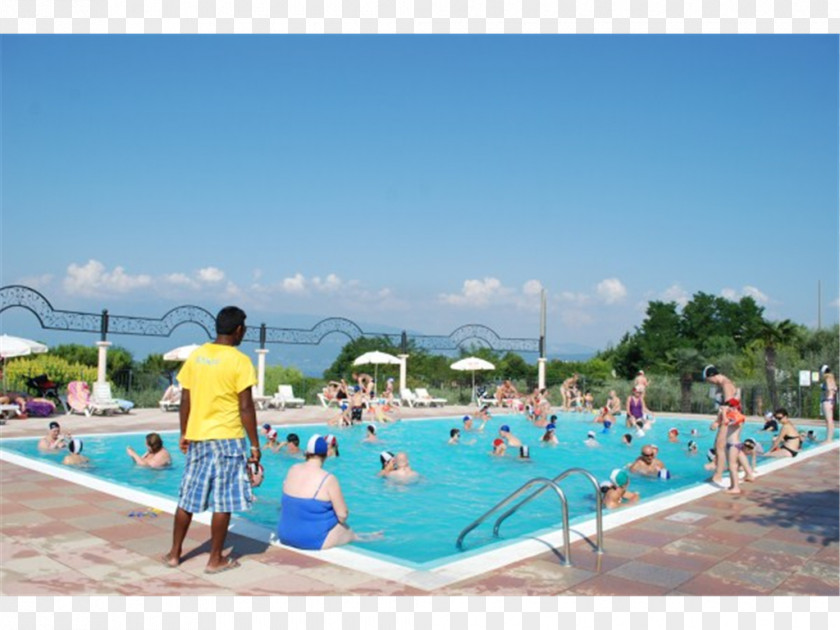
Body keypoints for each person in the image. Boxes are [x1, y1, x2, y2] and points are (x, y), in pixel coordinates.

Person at [163, 306, 260, 574]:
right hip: (227, 438)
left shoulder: (197, 356)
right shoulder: (239, 361)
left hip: (198, 437)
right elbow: (246, 407)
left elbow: (186, 399)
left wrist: (184, 432)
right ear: (239, 330)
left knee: (187, 497)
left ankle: (174, 553)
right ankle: (215, 559)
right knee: (224, 500)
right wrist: (254, 444)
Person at [276, 435, 365, 550]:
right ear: (326, 454)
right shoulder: (328, 478)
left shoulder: (293, 469)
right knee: (347, 530)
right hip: (311, 539)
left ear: (307, 452)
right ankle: (364, 538)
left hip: (284, 534)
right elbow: (343, 515)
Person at [703, 365, 746, 489]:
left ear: (712, 376)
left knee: (720, 447)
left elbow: (726, 407)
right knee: (734, 446)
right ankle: (748, 472)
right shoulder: (727, 383)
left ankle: (718, 475)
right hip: (734, 418)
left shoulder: (725, 385)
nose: (710, 383)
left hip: (729, 419)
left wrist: (717, 422)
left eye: (708, 380)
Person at [819, 365, 836, 443]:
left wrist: (827, 393)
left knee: (828, 420)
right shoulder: (832, 378)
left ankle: (828, 439)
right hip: (831, 400)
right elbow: (835, 388)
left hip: (827, 401)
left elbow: (829, 388)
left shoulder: (827, 378)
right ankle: (830, 438)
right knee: (830, 420)